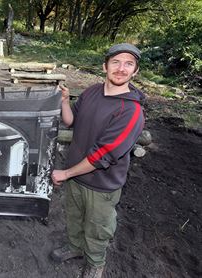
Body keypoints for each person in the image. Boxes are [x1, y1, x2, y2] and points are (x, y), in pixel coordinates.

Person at [50, 43, 145, 278]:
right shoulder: (92, 91)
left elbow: (102, 156)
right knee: (73, 217)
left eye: (128, 64)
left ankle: (95, 265)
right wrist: (64, 100)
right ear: (105, 66)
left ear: (135, 71)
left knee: (98, 230)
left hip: (102, 185)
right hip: (75, 177)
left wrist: (65, 173)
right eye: (116, 62)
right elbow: (71, 121)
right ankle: (74, 248)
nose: (121, 69)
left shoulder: (131, 111)